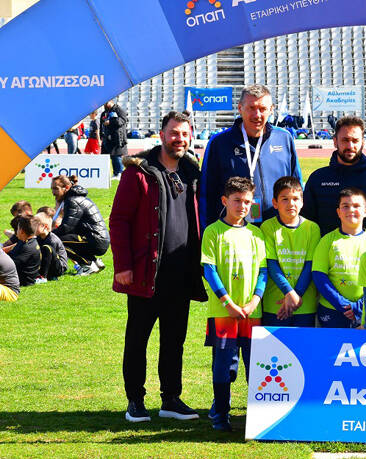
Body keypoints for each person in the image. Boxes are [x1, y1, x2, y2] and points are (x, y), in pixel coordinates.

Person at [109, 111, 207, 423]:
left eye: (185, 134)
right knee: (137, 339)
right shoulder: (138, 172)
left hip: (182, 273)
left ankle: (171, 399)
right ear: (162, 135)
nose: (180, 139)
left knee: (174, 341)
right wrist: (123, 266)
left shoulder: (192, 172)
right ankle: (135, 400)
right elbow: (119, 220)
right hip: (146, 273)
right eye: (174, 133)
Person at [200, 176, 268, 432]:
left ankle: (257, 415)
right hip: (223, 312)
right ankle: (221, 414)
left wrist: (254, 301)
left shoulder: (256, 234)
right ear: (224, 201)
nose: (242, 206)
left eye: (247, 202)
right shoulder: (213, 232)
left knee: (255, 365)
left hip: (252, 313)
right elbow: (209, 270)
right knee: (223, 365)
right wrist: (227, 302)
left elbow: (263, 272)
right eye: (237, 200)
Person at [200, 84, 302, 228]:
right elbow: (207, 193)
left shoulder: (284, 138)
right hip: (235, 229)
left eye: (262, 109)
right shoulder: (219, 142)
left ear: (271, 109)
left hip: (278, 228)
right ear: (240, 108)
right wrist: (207, 232)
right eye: (251, 108)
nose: (257, 115)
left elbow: (297, 185)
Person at [303, 116, 366, 235]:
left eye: (355, 140)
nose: (350, 146)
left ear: (362, 143)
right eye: (345, 140)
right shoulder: (318, 178)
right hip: (326, 246)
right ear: (335, 141)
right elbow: (307, 222)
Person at [261, 176, 321, 326]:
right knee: (273, 342)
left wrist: (297, 294)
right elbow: (271, 265)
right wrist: (288, 292)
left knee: (302, 341)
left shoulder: (312, 228)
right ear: (275, 203)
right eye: (285, 199)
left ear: (302, 202)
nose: (291, 203)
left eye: (295, 199)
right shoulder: (267, 227)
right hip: (275, 303)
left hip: (304, 304)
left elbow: (310, 265)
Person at [312, 187, 366, 328]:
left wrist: (360, 305)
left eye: (356, 206)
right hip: (332, 310)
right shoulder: (327, 241)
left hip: (365, 310)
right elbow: (319, 276)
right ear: (338, 212)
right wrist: (342, 304)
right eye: (345, 206)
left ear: (365, 211)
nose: (351, 210)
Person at [50, 175, 109, 275]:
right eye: (52, 189)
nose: (53, 192)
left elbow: (66, 227)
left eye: (56, 188)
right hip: (97, 239)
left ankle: (88, 265)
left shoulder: (72, 201)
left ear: (66, 188)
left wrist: (49, 235)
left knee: (57, 240)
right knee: (62, 238)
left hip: (96, 241)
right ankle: (95, 262)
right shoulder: (75, 198)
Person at [6, 216, 41, 286]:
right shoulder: (26, 242)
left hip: (24, 280)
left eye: (17, 229)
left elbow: (11, 264)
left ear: (21, 231)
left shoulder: (27, 247)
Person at [33, 213, 67, 281]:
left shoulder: (52, 240)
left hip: (58, 267)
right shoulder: (38, 238)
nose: (32, 228)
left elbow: (49, 257)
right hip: (46, 264)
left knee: (47, 248)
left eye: (35, 225)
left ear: (45, 227)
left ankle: (43, 277)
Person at [101, 100, 129, 180]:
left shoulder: (119, 110)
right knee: (111, 157)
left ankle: (119, 173)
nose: (104, 104)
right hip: (107, 138)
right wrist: (101, 135)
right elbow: (101, 125)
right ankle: (114, 173)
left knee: (117, 156)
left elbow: (123, 120)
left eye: (106, 103)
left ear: (110, 101)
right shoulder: (105, 112)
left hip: (117, 138)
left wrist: (110, 122)